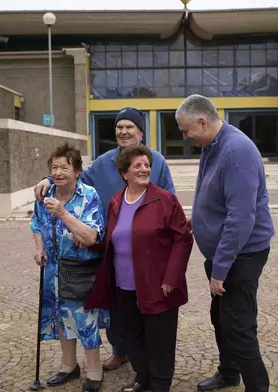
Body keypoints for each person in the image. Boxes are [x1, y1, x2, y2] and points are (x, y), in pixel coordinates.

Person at [33, 107, 176, 371]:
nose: (123, 131)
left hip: (148, 250)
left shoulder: (156, 161)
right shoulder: (102, 163)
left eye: (129, 127)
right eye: (119, 127)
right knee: (116, 305)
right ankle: (121, 350)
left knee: (147, 303)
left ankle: (147, 360)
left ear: (141, 132)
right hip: (112, 248)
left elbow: (171, 202)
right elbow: (71, 176)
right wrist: (47, 178)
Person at [175, 95, 275, 392]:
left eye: (186, 130)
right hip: (225, 254)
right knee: (221, 317)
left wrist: (220, 269)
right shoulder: (212, 145)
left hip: (241, 255)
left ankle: (258, 387)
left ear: (202, 122)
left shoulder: (236, 151)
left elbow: (241, 217)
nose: (184, 137)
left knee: (239, 325)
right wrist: (200, 217)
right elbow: (215, 194)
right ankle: (229, 372)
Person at [85, 145, 193, 392]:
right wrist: (89, 242)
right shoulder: (115, 202)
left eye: (147, 165)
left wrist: (171, 277)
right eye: (138, 165)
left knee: (160, 341)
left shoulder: (165, 200)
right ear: (125, 173)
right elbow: (112, 238)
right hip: (124, 286)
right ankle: (143, 379)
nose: (144, 169)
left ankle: (160, 385)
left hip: (158, 285)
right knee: (130, 337)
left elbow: (183, 238)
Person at [30, 142, 108, 392]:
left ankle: (94, 372)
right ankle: (68, 366)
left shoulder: (89, 195)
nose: (59, 172)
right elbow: (36, 224)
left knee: (85, 320)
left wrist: (64, 214)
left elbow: (93, 235)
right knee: (61, 318)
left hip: (79, 271)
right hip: (53, 270)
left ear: (77, 171)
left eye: (65, 167)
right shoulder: (45, 194)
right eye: (54, 167)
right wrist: (39, 248)